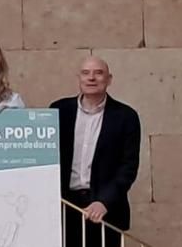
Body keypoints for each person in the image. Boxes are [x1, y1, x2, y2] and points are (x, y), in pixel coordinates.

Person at [51, 56, 141, 247]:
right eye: (86, 73)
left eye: (98, 73)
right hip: (65, 207)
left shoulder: (126, 116)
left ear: (109, 79)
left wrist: (104, 202)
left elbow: (128, 168)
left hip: (106, 211)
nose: (91, 78)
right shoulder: (58, 110)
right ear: (79, 78)